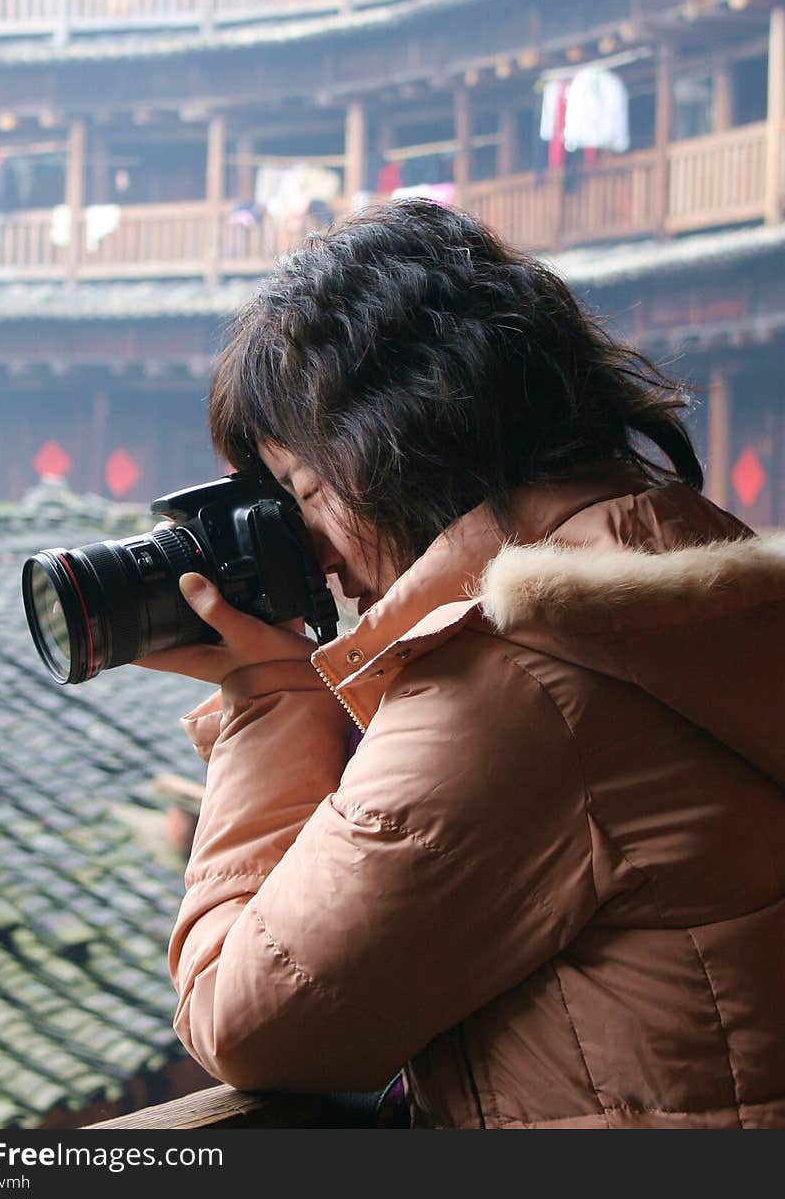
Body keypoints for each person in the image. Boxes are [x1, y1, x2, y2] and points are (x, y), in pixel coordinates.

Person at [142, 198, 785, 1129]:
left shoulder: (513, 677)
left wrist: (270, 700)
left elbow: (242, 1018)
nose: (311, 550)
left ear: (403, 439)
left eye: (306, 491)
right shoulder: (672, 569)